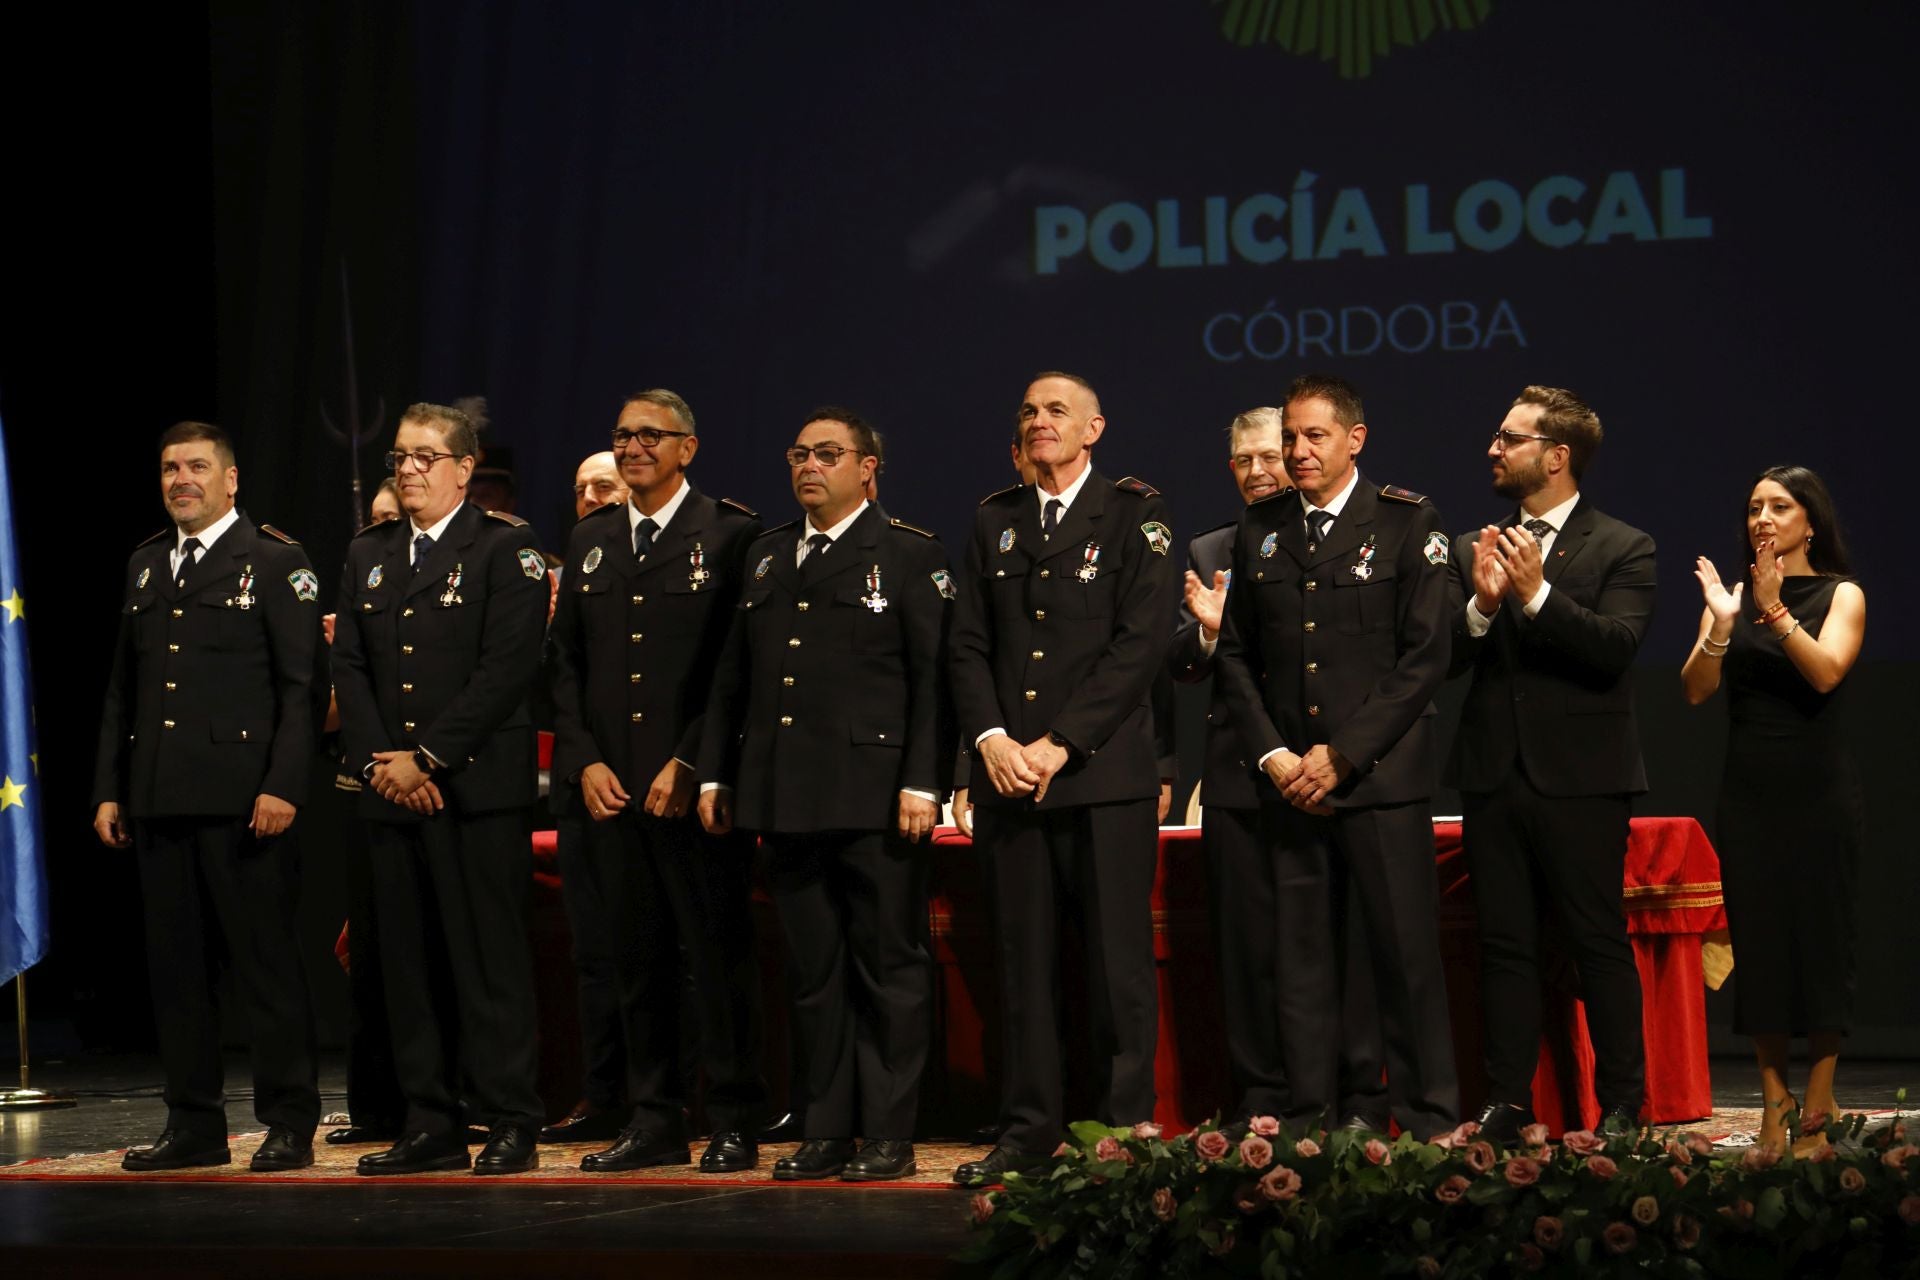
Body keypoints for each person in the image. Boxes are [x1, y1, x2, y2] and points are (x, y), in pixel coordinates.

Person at [698, 407, 948, 1181]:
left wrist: (922, 780)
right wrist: (716, 771)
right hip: (786, 796)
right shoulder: (769, 556)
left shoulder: (907, 554)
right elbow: (732, 678)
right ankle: (827, 1128)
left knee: (887, 968)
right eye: (800, 453)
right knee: (814, 976)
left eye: (828, 454)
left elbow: (933, 681)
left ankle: (888, 1133)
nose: (810, 466)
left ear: (867, 467)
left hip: (874, 797)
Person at [1213, 373, 1458, 1141]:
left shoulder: (1408, 523)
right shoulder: (1261, 529)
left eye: (1313, 436)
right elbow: (1235, 657)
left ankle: (1424, 1116)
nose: (1296, 451)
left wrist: (1344, 755)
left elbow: (1423, 660)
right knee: (1303, 964)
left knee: (1404, 957)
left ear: (1355, 439)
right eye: (1289, 436)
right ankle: (1310, 1114)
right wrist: (1277, 757)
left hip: (1379, 781)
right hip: (1293, 788)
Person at [949, 372, 1179, 1186]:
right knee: (1024, 968)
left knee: (1117, 970)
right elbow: (967, 644)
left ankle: (1121, 1135)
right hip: (1009, 780)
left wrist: (1059, 744)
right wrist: (990, 741)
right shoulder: (994, 520)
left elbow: (1139, 645)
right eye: (1027, 412)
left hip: (1100, 778)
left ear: (1094, 429)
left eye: (1055, 411)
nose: (1038, 421)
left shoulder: (1135, 516)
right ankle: (1027, 1133)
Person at [546, 389, 770, 1174]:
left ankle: (736, 1116)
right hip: (611, 790)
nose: (634, 447)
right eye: (622, 436)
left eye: (651, 435)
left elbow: (735, 672)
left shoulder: (732, 534)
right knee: (634, 960)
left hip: (695, 791)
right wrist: (586, 761)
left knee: (714, 957)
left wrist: (691, 762)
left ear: (689, 447)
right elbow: (564, 664)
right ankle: (655, 1117)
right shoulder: (593, 538)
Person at [91, 420, 322, 1172]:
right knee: (177, 975)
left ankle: (288, 1120)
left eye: (195, 467)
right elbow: (124, 693)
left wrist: (283, 784)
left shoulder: (275, 561)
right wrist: (110, 791)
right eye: (168, 468)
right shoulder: (148, 566)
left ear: (231, 480)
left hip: (245, 803)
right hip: (159, 797)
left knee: (266, 970)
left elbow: (301, 687)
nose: (179, 479)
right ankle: (193, 1123)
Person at [331, 401, 551, 1175]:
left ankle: (511, 1119)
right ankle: (430, 1120)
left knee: (488, 965)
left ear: (465, 468)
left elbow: (507, 669)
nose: (409, 469)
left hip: (474, 791)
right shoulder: (369, 552)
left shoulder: (505, 550)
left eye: (426, 456)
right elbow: (350, 670)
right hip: (389, 792)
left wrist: (426, 759)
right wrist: (382, 765)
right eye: (400, 456)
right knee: (407, 967)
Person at [1446, 385, 1655, 1143]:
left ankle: (1624, 1105)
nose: (1493, 449)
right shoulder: (1479, 543)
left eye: (1510, 438)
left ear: (1556, 456)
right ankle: (1509, 1100)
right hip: (1495, 773)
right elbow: (1440, 659)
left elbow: (1614, 650)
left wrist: (1535, 596)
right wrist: (1478, 606)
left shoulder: (1623, 545)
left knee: (1597, 943)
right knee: (1504, 945)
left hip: (1582, 777)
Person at [1169, 406, 1386, 1132]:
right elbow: (1185, 663)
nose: (1261, 470)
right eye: (1244, 461)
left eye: (1272, 454)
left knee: (1333, 948)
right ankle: (1261, 1100)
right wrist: (1207, 632)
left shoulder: (1330, 535)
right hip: (1240, 774)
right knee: (1248, 949)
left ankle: (1341, 1097)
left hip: (1321, 773)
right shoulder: (1210, 547)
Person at [1681, 466, 1865, 1155]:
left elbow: (1825, 672)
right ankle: (1773, 1105)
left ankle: (1817, 1108)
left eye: (1779, 507)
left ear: (1809, 521)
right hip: (1750, 794)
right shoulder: (1730, 599)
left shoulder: (1842, 593)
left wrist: (1777, 610)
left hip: (1820, 794)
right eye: (1754, 507)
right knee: (1758, 952)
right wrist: (1724, 627)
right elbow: (1696, 690)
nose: (1762, 518)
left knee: (1822, 944)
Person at [539, 449, 640, 1147]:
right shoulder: (561, 579)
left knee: (668, 955)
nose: (591, 498)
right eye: (579, 490)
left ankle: (676, 1098)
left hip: (657, 786)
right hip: (584, 788)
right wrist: (585, 765)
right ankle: (604, 1096)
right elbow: (559, 685)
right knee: (595, 955)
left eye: (602, 484)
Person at [322, 478, 408, 1147]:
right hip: (360, 789)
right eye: (374, 522)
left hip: (424, 783)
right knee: (369, 956)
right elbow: (327, 713)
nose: (383, 531)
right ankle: (374, 1106)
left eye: (394, 519)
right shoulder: (356, 596)